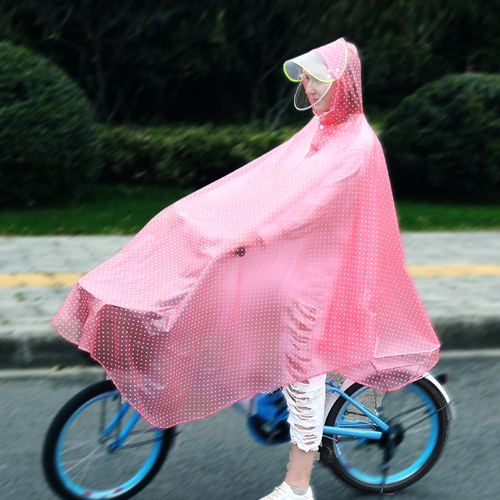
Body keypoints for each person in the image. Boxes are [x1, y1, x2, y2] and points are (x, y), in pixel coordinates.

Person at [53, 38, 440, 500]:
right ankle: (259, 386)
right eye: (305, 78)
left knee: (302, 368)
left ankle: (298, 487)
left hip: (318, 276)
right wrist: (212, 218)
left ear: (343, 84)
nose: (308, 86)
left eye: (317, 78)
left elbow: (307, 206)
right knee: (223, 304)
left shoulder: (356, 144)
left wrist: (248, 235)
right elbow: (267, 180)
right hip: (290, 261)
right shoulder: (321, 131)